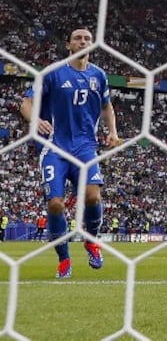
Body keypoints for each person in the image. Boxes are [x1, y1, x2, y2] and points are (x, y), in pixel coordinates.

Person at [18, 27, 120, 278]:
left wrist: (113, 132)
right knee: (55, 204)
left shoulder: (99, 75)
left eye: (87, 38)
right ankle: (64, 259)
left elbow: (107, 107)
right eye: (78, 38)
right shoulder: (52, 73)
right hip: (55, 146)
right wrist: (35, 122)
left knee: (93, 197)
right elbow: (26, 103)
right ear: (68, 45)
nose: (83, 41)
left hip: (85, 147)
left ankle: (91, 241)